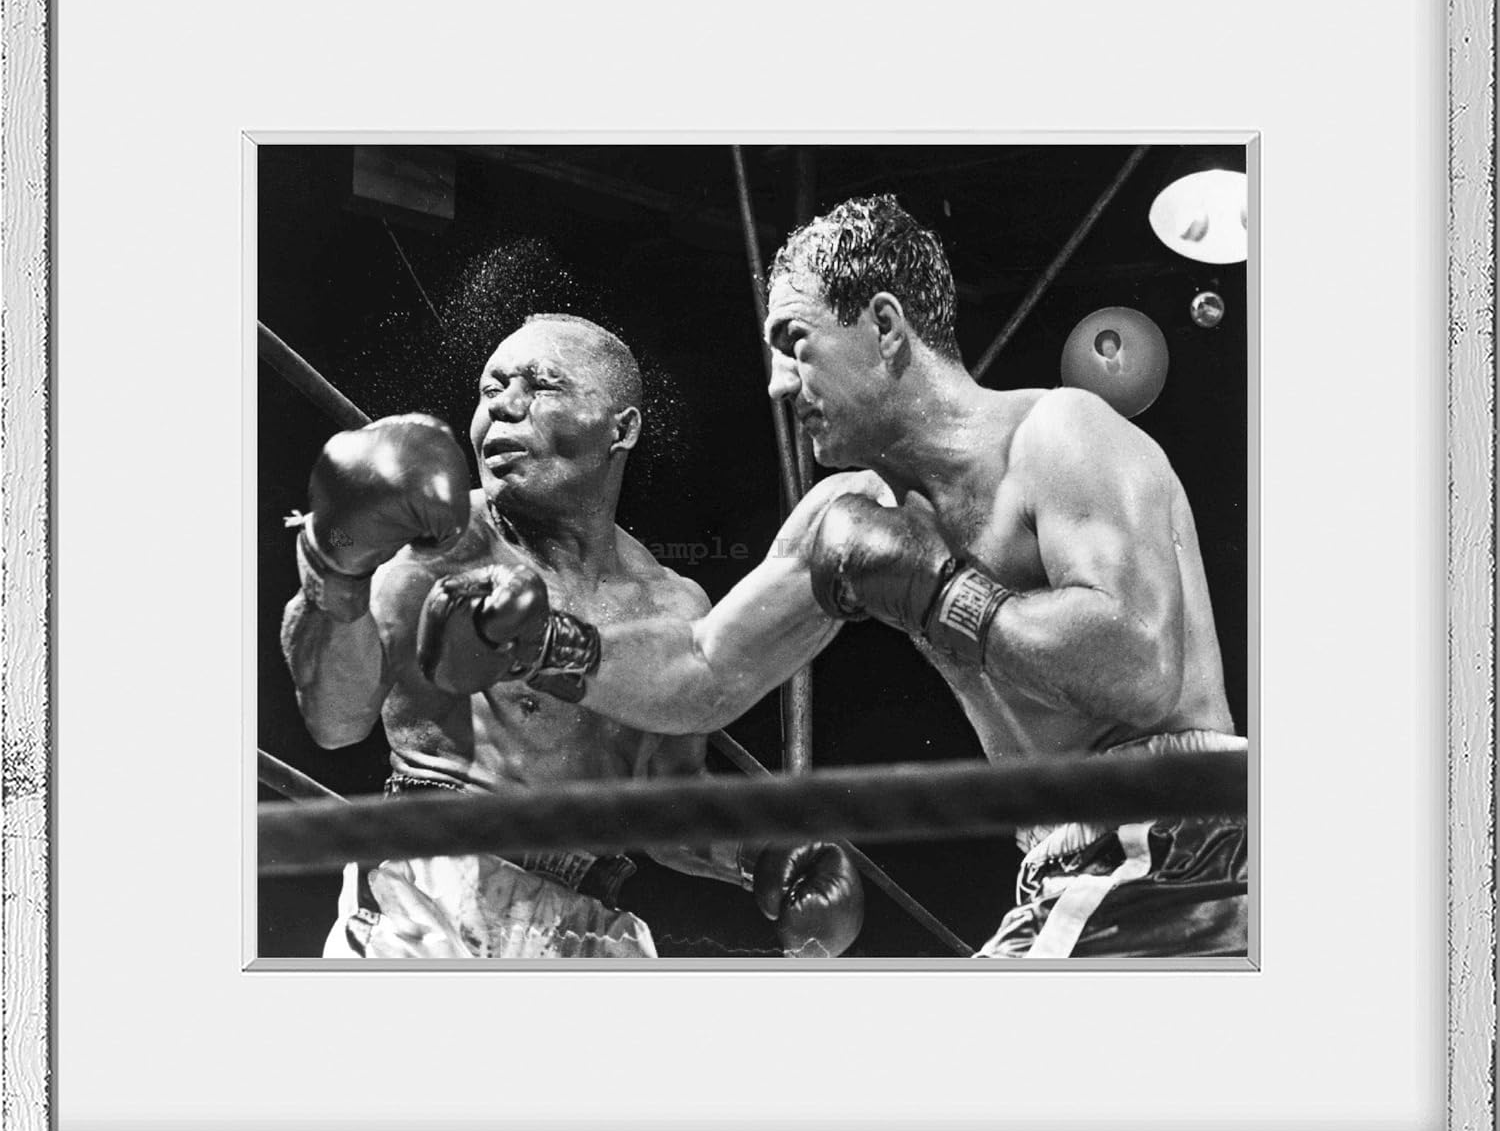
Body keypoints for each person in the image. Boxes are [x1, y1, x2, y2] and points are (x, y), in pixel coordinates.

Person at [434, 198, 1248, 959]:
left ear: (885, 326)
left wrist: (939, 590)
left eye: (796, 342)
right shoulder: (847, 513)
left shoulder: (1059, 435)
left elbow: (1140, 671)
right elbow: (702, 672)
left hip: (1178, 839)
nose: (780, 383)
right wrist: (539, 642)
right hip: (1061, 867)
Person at [281, 312, 864, 959]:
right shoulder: (444, 550)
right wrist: (333, 572)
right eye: (490, 388)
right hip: (429, 889)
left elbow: (665, 805)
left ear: (623, 428)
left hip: (585, 918)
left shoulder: (670, 605)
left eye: (539, 383)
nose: (504, 406)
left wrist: (758, 855)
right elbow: (336, 722)